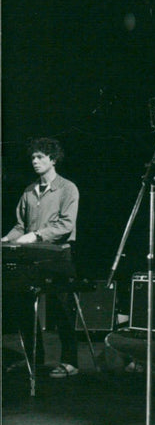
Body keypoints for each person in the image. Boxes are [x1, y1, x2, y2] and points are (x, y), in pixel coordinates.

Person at [2, 137, 80, 378]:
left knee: (63, 308)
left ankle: (70, 362)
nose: (34, 161)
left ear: (53, 160)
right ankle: (34, 359)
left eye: (40, 157)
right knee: (21, 301)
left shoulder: (68, 188)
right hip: (31, 258)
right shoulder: (29, 191)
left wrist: (35, 235)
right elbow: (19, 225)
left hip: (58, 257)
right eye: (33, 157)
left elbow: (66, 225)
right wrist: (7, 239)